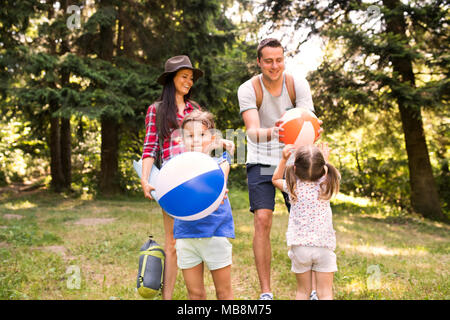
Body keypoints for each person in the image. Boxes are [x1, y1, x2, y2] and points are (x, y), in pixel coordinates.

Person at [237, 37, 320, 300]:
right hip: (261, 160)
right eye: (269, 61)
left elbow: (308, 124)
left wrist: (308, 136)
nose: (275, 66)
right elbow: (251, 132)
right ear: (259, 62)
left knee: (306, 218)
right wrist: (277, 132)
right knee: (262, 219)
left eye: (279, 60)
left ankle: (315, 288)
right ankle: (266, 292)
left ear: (284, 59)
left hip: (295, 161)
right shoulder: (249, 89)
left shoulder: (298, 84)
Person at [141, 55, 204, 300]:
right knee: (173, 241)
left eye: (191, 78)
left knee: (199, 239)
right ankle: (167, 297)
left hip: (196, 178)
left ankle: (196, 295)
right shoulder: (156, 110)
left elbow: (204, 142)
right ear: (171, 80)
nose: (189, 82)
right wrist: (145, 179)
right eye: (184, 77)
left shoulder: (195, 109)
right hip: (171, 183)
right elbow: (149, 148)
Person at [174, 110, 235, 300]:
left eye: (202, 134)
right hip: (186, 235)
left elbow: (219, 185)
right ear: (182, 140)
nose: (196, 140)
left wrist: (226, 146)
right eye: (190, 136)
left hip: (215, 234)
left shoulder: (220, 164)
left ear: (212, 138)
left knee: (223, 293)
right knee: (195, 293)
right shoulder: (176, 167)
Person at [272, 143, 340, 300]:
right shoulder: (326, 186)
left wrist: (283, 159)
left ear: (295, 168)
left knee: (302, 292)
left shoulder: (293, 186)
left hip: (300, 247)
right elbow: (326, 172)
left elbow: (275, 179)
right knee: (325, 293)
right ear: (323, 168)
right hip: (324, 247)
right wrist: (325, 160)